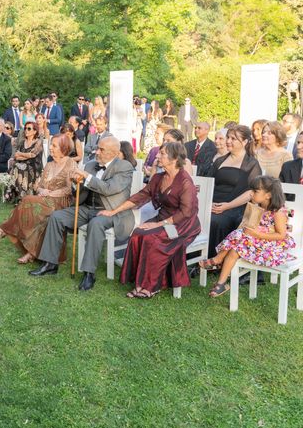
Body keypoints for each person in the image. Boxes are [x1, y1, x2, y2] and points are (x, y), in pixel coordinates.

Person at [29, 136, 135, 291]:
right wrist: (75, 182)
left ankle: (89, 273)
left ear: (113, 152)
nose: (96, 152)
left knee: (96, 224)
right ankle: (50, 263)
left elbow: (109, 188)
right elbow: (81, 191)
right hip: (87, 208)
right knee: (56, 217)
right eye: (97, 148)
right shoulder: (91, 164)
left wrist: (86, 177)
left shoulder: (124, 166)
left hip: (112, 211)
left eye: (101, 149)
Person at [101, 142, 200, 298]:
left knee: (152, 238)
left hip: (182, 225)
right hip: (163, 218)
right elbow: (141, 196)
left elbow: (186, 212)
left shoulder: (185, 181)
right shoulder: (159, 177)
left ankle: (152, 286)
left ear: (174, 159)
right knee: (138, 233)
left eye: (162, 154)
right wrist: (113, 211)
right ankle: (139, 282)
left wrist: (158, 224)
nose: (157, 156)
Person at [0, 134, 76, 264]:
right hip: (45, 199)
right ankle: (31, 252)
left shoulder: (70, 164)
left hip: (60, 202)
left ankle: (4, 229)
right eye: (51, 145)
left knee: (27, 200)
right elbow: (38, 186)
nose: (50, 148)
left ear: (64, 148)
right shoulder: (49, 165)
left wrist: (51, 193)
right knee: (31, 206)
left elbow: (68, 189)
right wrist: (42, 190)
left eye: (54, 145)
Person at [201, 176, 295, 297]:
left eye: (255, 191)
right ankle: (221, 283)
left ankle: (218, 260)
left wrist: (256, 234)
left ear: (268, 195)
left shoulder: (278, 212)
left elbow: (281, 235)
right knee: (236, 248)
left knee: (239, 235)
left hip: (272, 247)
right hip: (258, 242)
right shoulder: (260, 206)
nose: (251, 194)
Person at [204, 125, 262, 258]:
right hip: (213, 203)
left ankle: (215, 259)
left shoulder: (251, 164)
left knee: (216, 221)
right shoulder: (219, 161)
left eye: (233, 138)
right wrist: (208, 203)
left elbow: (251, 192)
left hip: (235, 206)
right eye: (228, 137)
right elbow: (208, 183)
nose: (228, 141)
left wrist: (227, 206)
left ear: (245, 142)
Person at [4, 120, 43, 203]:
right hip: (21, 165)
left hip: (34, 167)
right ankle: (19, 197)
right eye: (25, 128)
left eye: (29, 129)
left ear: (35, 131)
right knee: (15, 167)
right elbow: (16, 155)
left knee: (18, 168)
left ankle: (21, 198)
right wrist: (26, 155)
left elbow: (33, 155)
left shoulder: (38, 142)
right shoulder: (22, 142)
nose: (26, 130)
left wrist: (22, 155)